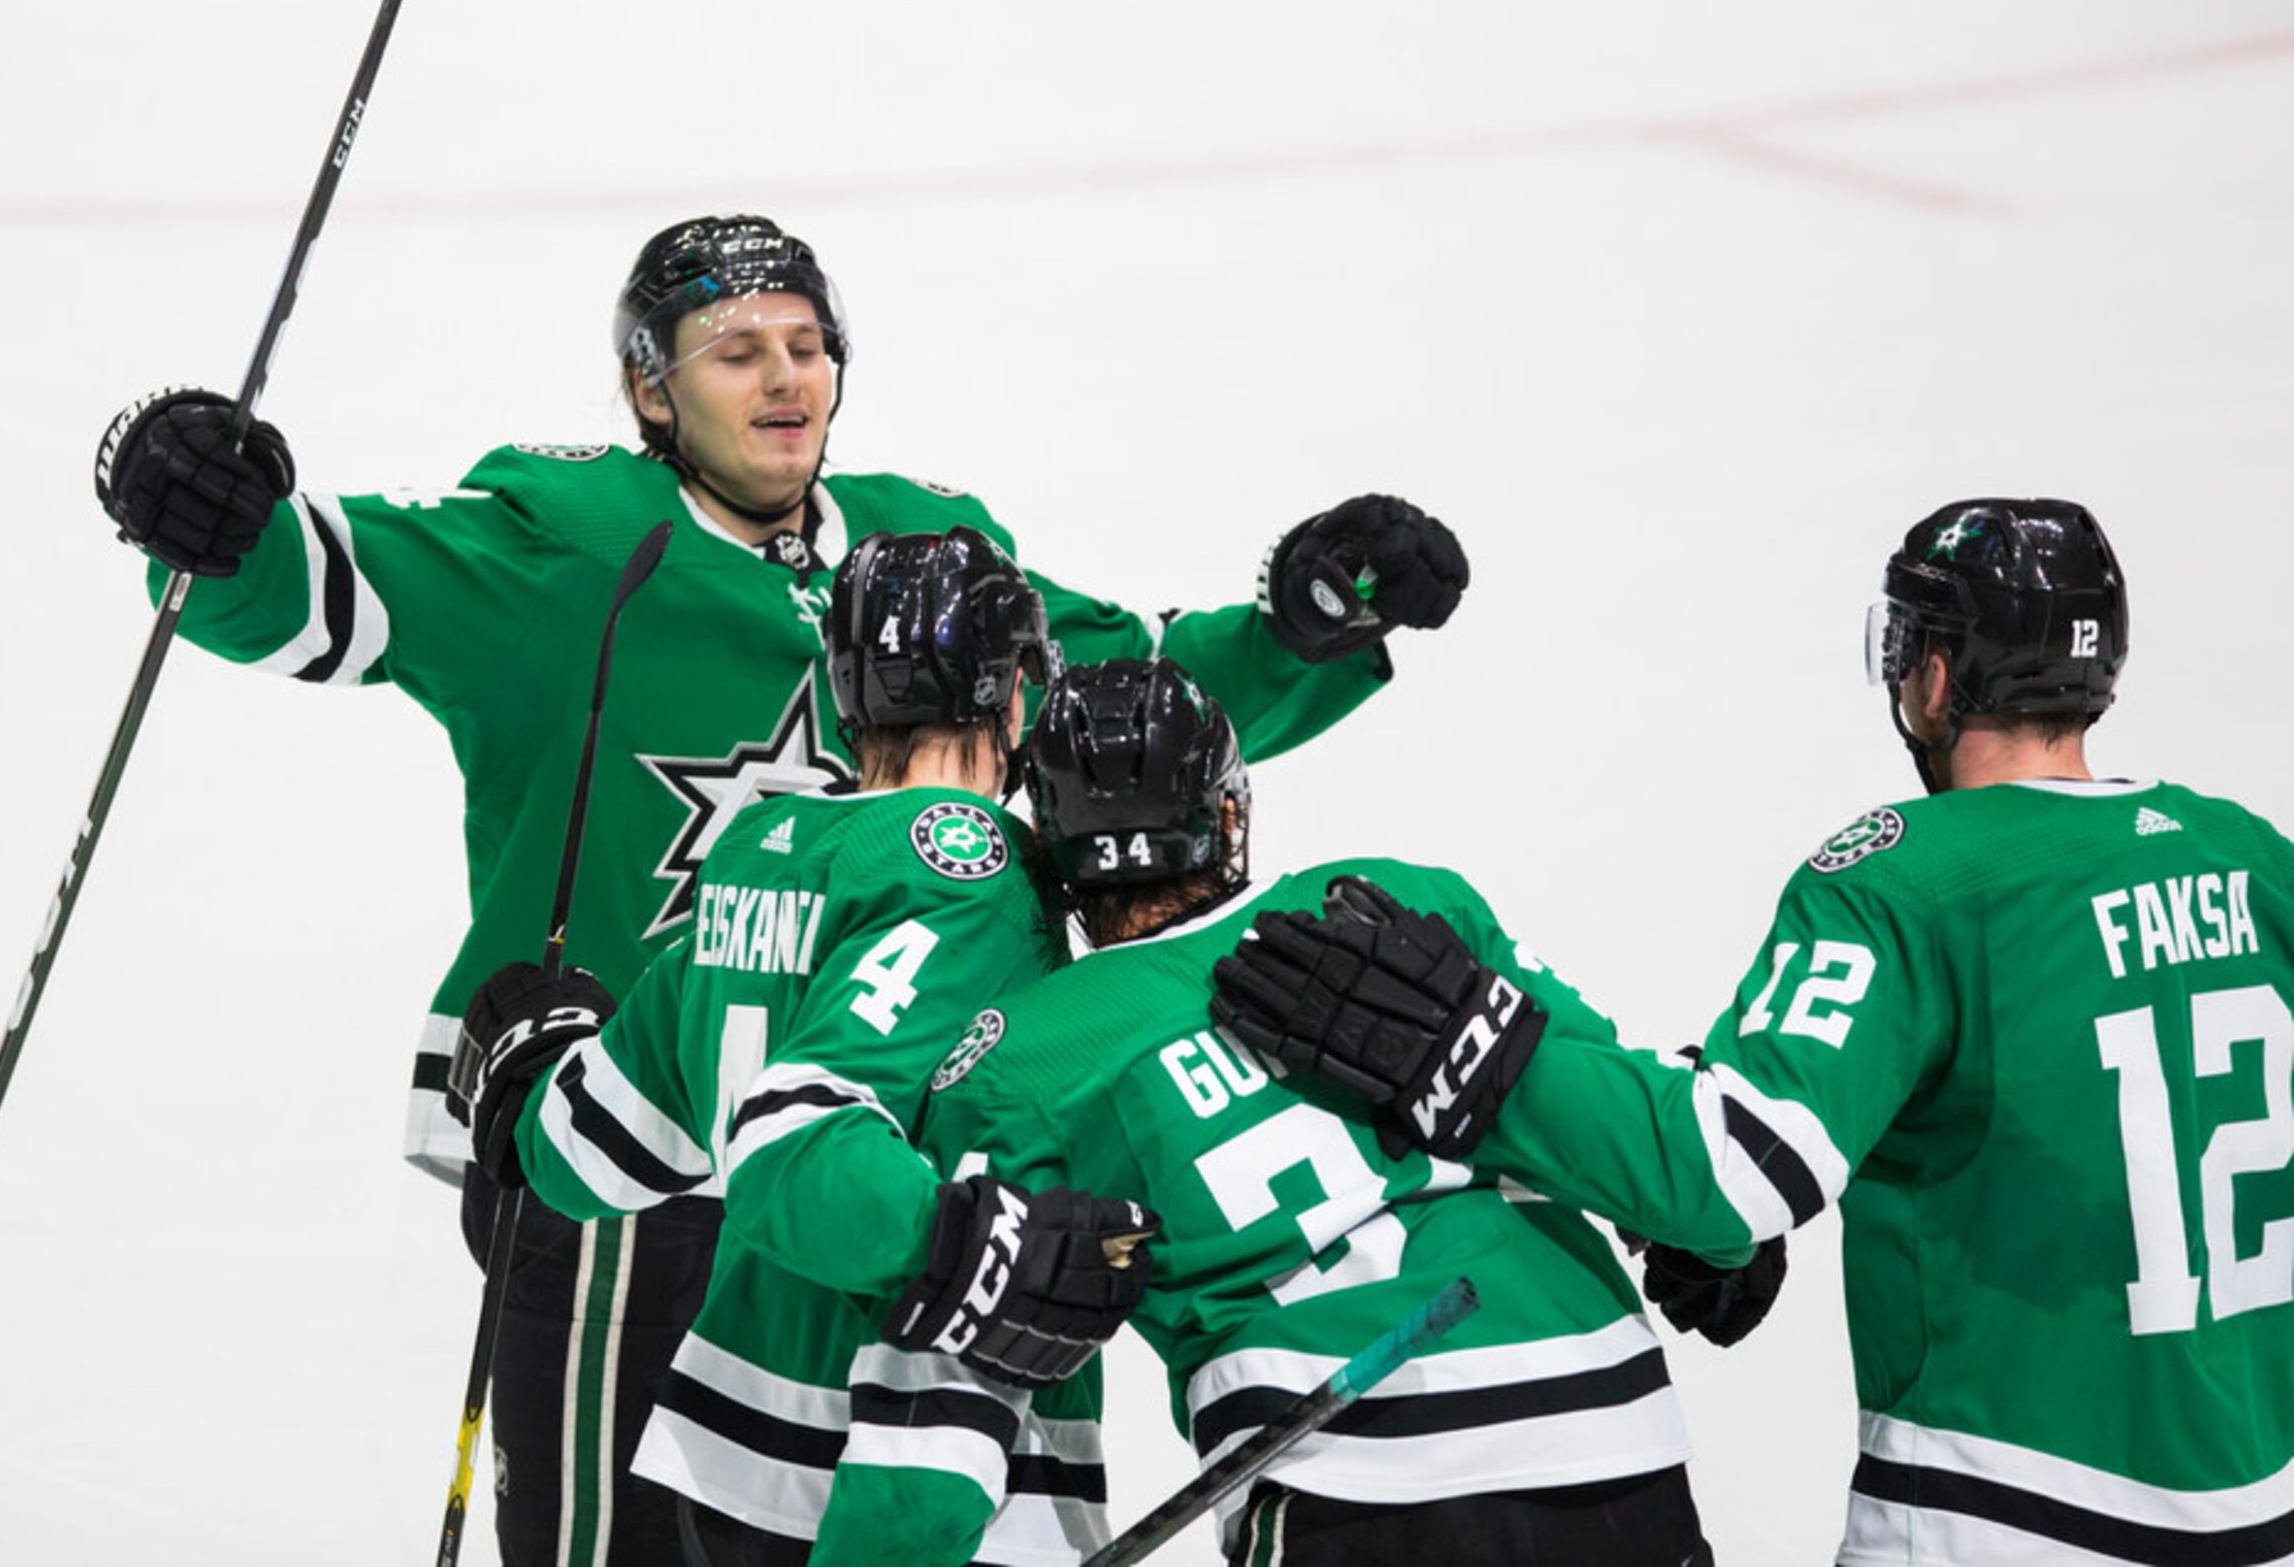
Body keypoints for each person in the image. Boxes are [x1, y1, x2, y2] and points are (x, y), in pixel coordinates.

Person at [90, 213, 1468, 1565]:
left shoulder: (928, 558)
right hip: (622, 1145)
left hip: (880, 1170)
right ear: (651, 386)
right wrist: (201, 512)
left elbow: (1137, 696)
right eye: (735, 349)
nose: (786, 376)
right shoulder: (568, 548)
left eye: (808, 343)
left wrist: (1305, 623)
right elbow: (322, 593)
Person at [1214, 497, 2294, 1564]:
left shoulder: (1909, 878)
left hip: (2003, 1524)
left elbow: (1733, 1170)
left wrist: (1468, 1051)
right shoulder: (2245, 853)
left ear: (1933, 676)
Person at [814, 657, 1727, 1566]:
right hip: (1612, 1444)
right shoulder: (1396, 899)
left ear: (1052, 859)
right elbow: (1628, 1119)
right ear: (1228, 812)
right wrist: (1724, 1247)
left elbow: (931, 1441)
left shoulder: (1018, 1058)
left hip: (1344, 1495)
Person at [447, 528, 1156, 1565]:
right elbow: (809, 1128)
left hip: (734, 1439)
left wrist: (530, 1068)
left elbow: (594, 1148)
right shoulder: (970, 872)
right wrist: (973, 1248)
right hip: (895, 1460)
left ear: (842, 698)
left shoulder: (761, 854)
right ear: (1012, 701)